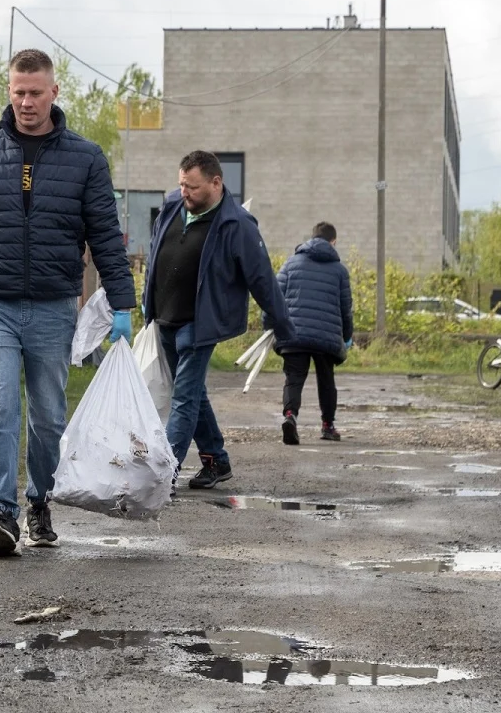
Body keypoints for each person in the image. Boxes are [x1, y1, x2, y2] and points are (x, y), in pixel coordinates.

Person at [0, 48, 135, 556]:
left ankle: (40, 498)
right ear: (9, 92)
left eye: (35, 92)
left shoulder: (84, 158)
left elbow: (106, 234)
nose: (25, 101)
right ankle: (2, 513)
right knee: (0, 406)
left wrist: (122, 305)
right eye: (17, 91)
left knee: (49, 416)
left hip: (53, 306)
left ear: (54, 93)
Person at [142, 150, 295, 489]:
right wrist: (145, 304)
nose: (185, 193)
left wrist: (280, 322)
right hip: (164, 316)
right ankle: (215, 460)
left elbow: (261, 278)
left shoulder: (236, 223)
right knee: (192, 393)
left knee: (184, 398)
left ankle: (163, 474)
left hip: (200, 323)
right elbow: (154, 255)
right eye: (181, 185)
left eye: (192, 187)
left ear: (216, 182)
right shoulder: (172, 206)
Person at [274, 221, 354, 445]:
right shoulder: (340, 270)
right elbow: (345, 307)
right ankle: (328, 426)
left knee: (294, 379)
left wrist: (270, 326)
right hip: (326, 336)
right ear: (333, 241)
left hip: (293, 332)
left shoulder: (291, 263)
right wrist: (346, 336)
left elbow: (275, 297)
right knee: (326, 381)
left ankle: (290, 416)